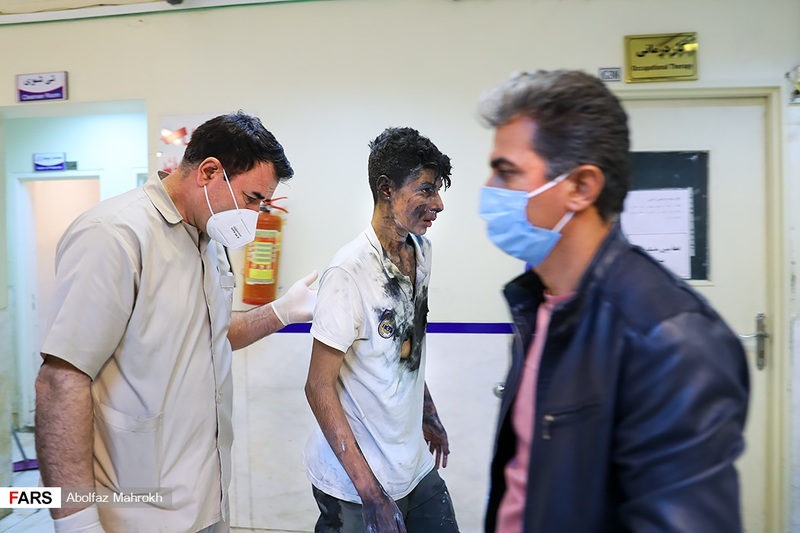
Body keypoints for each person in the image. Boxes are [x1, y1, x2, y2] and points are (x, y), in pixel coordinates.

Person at [477, 70, 750, 532]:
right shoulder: (540, 305)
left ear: (581, 187)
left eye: (507, 171)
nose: (489, 188)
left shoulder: (671, 339)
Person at [34, 111, 318, 533]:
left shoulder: (209, 240)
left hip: (206, 501)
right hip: (134, 513)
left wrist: (281, 312)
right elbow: (61, 380)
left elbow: (212, 334)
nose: (255, 215)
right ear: (209, 172)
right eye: (252, 198)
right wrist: (74, 519)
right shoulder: (115, 235)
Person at [304, 127, 459, 533]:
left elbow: (405, 347)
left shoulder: (421, 253)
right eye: (426, 189)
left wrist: (428, 413)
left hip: (412, 465)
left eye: (438, 190)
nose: (438, 204)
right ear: (387, 189)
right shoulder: (348, 271)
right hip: (355, 482)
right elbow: (318, 387)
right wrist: (371, 495)